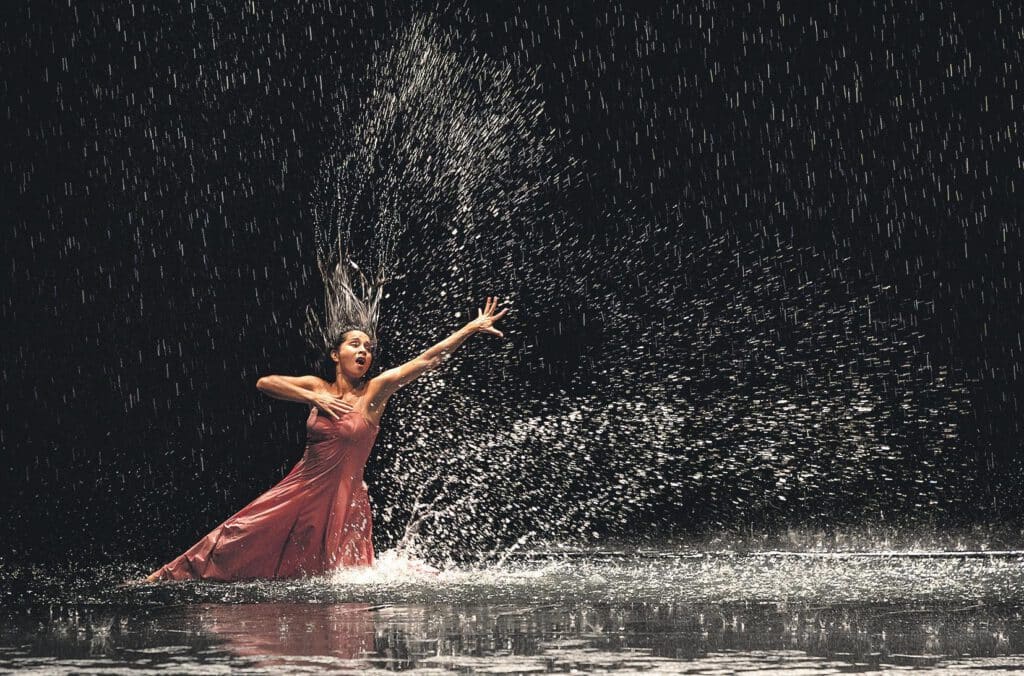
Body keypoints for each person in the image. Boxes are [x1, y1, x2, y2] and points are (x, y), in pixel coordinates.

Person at [145, 297, 508, 582]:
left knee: (336, 578)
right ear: (336, 354)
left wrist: (470, 328)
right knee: (239, 534)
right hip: (300, 489)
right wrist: (312, 398)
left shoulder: (374, 393)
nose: (364, 351)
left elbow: (427, 360)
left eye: (368, 347)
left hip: (345, 499)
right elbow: (265, 383)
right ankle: (167, 578)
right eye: (355, 344)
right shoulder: (317, 387)